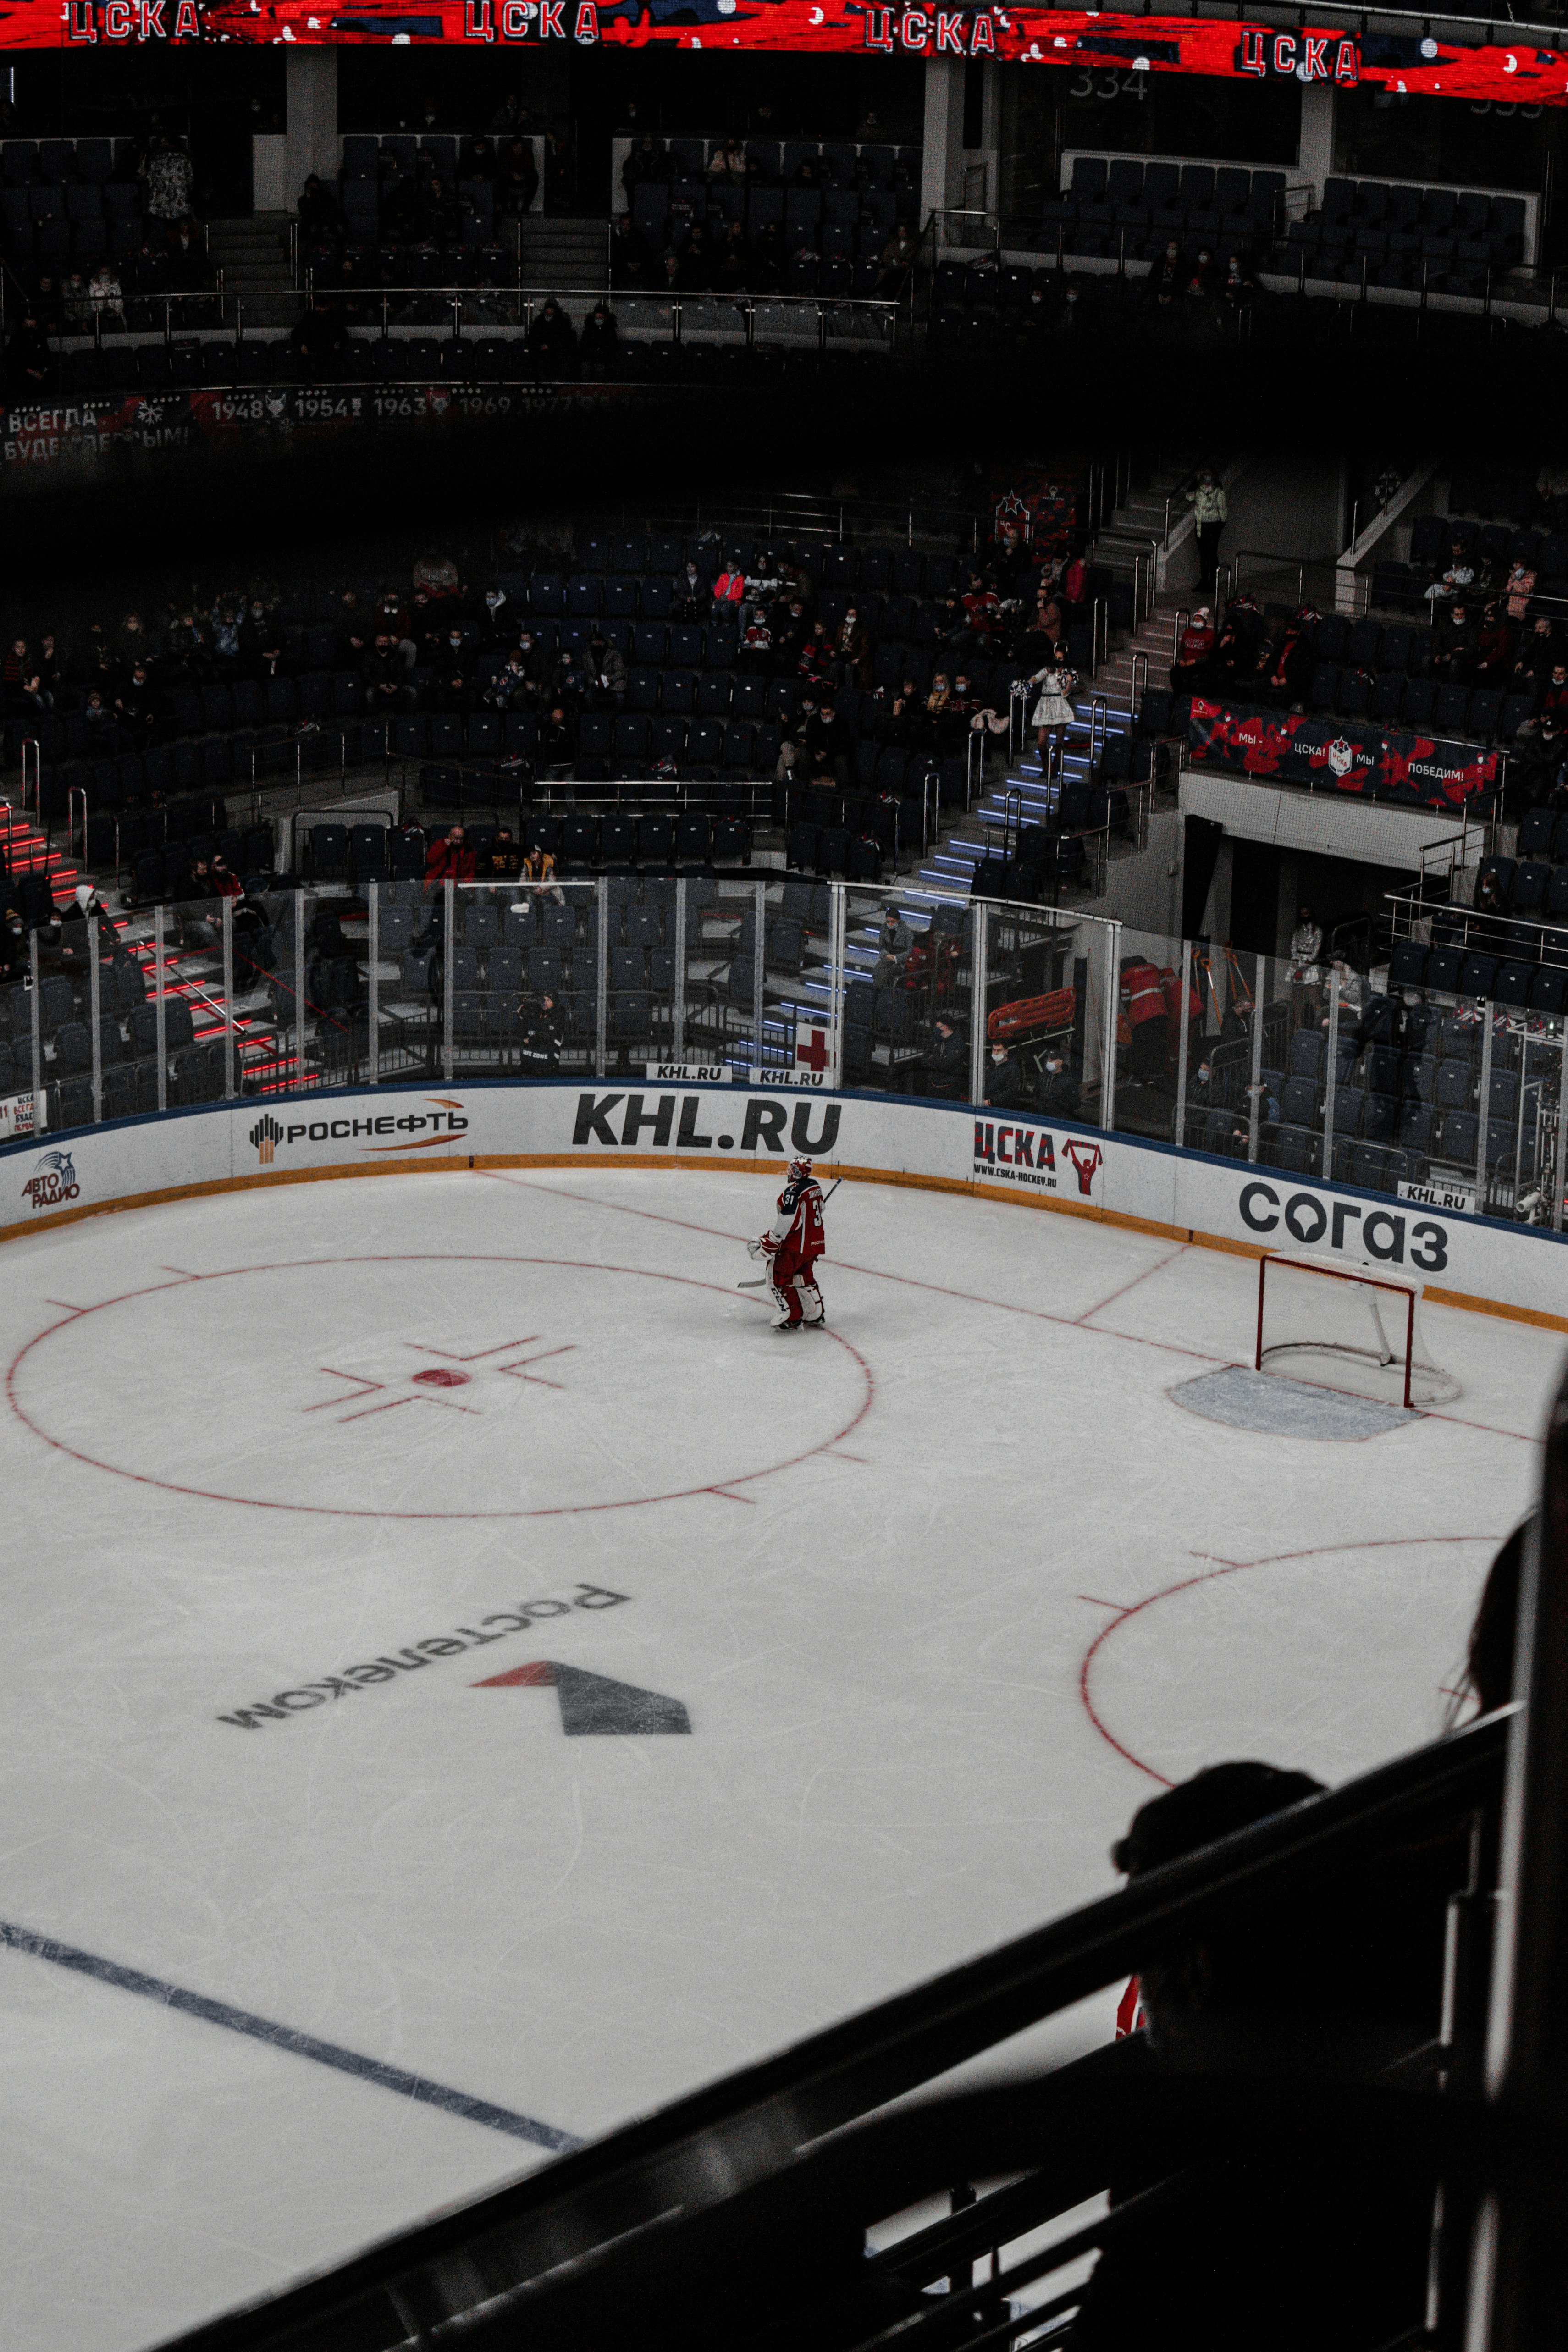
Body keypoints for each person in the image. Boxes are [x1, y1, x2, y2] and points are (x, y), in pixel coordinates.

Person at [749, 1152, 827, 1331]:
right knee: (803, 1276)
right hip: (814, 1243)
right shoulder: (815, 1185)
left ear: (800, 1173)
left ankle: (792, 1318)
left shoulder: (794, 1191)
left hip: (796, 1246)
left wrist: (774, 1239)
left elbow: (788, 1219)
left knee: (779, 1278)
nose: (790, 1172)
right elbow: (821, 1208)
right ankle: (815, 1314)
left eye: (793, 1169)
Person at [1026, 657, 1077, 770]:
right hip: (1046, 705)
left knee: (1059, 741)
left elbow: (1065, 694)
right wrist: (1027, 684)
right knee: (1041, 743)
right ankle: (1047, 767)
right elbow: (1036, 678)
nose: (1058, 660)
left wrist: (1069, 681)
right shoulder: (1048, 670)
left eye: (1061, 658)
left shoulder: (1069, 673)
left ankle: (1056, 767)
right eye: (1056, 658)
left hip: (1059, 705)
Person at [1288, 905, 1323, 1023]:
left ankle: (1318, 1024)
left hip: (1310, 965)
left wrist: (1303, 968)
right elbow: (1293, 946)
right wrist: (1295, 963)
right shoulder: (1297, 930)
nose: (1304, 916)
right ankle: (1298, 1026)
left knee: (1314, 998)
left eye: (1306, 913)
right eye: (1302, 914)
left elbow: (1316, 952)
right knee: (1298, 999)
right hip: (1298, 961)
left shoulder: (1317, 931)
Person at [516, 991, 564, 1075]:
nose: (545, 1003)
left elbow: (546, 1036)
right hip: (528, 1066)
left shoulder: (558, 1017)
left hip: (547, 1067)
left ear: (554, 1002)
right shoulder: (535, 1015)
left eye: (548, 1001)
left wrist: (530, 1040)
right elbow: (521, 1033)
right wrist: (521, 1017)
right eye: (544, 1000)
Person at [872, 905, 912, 993]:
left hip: (901, 961)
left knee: (888, 973)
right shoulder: (884, 928)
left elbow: (910, 951)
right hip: (888, 957)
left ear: (898, 920)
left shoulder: (907, 932)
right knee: (877, 970)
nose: (890, 924)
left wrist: (896, 958)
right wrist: (886, 955)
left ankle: (884, 992)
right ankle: (877, 991)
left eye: (893, 922)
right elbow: (881, 946)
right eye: (888, 921)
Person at [1037, 1048, 1080, 1117]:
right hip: (1042, 1117)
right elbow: (1036, 1094)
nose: (1049, 1062)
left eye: (1052, 1060)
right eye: (1048, 1059)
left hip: (1059, 1120)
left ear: (1060, 1062)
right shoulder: (1043, 1077)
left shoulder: (1068, 1080)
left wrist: (1057, 1103)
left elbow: (1075, 1103)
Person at [985, 1041, 1024, 1108]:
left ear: (1006, 1051)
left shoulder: (1013, 1069)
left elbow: (1010, 1091)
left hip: (1000, 1108)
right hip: (984, 1103)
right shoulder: (988, 1063)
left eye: (999, 1050)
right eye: (994, 1050)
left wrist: (991, 1102)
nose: (996, 1053)